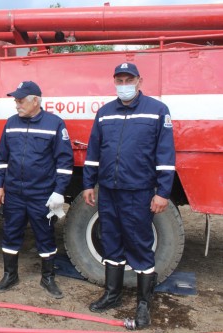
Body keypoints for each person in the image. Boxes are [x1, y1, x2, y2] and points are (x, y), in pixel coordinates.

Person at [82, 63, 175, 329]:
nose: (124, 84)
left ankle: (144, 303)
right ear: (114, 81)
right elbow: (94, 152)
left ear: (139, 80)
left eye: (128, 79)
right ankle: (112, 294)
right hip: (108, 192)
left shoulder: (157, 111)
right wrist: (88, 184)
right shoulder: (105, 113)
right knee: (110, 241)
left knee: (139, 244)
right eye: (119, 79)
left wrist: (163, 192)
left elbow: (166, 156)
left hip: (139, 192)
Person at [0, 81, 74, 299]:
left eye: (20, 100)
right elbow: (1, 159)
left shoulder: (54, 124)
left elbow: (64, 162)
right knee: (10, 234)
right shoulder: (11, 123)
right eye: (15, 100)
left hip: (41, 195)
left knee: (45, 235)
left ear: (35, 100)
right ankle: (10, 275)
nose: (16, 104)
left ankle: (48, 278)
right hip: (15, 194)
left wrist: (59, 191)